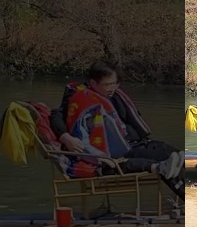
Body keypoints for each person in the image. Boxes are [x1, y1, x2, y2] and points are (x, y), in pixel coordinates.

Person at [49, 60, 184, 199]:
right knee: (168, 159)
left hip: (134, 143)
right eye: (107, 84)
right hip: (117, 150)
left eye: (114, 83)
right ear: (93, 83)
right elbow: (56, 115)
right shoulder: (81, 98)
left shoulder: (113, 96)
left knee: (177, 155)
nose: (112, 88)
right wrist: (65, 136)